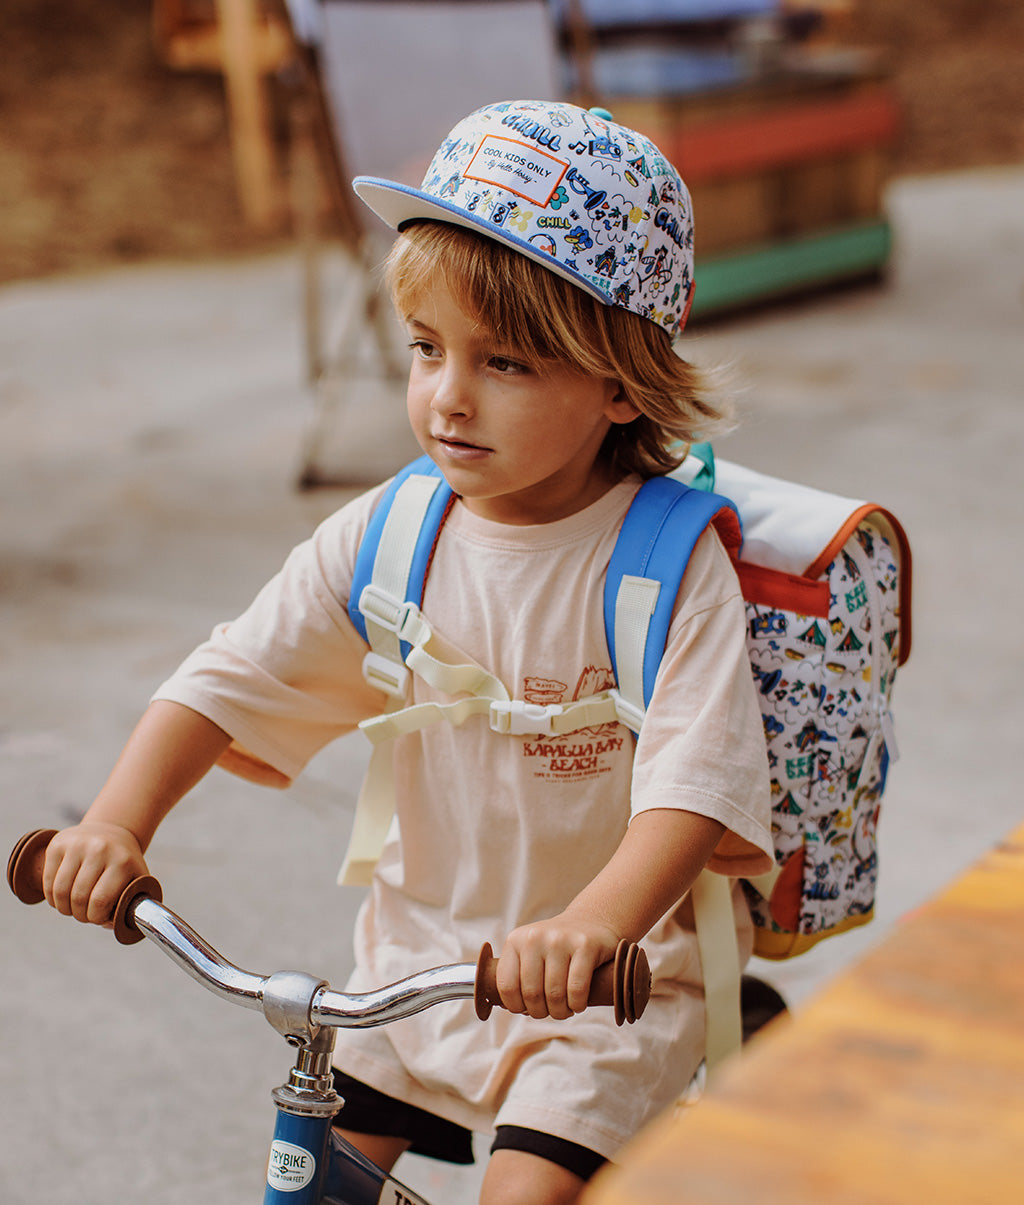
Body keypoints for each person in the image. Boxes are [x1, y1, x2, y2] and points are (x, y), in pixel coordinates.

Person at [39, 101, 773, 1205]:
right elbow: (231, 673)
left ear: (620, 382)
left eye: (506, 362)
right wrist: (114, 822)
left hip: (600, 988)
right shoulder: (395, 530)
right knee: (321, 1174)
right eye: (427, 349)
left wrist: (591, 926)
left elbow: (695, 784)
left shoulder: (662, 562)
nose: (447, 396)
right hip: (416, 970)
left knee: (523, 1191)